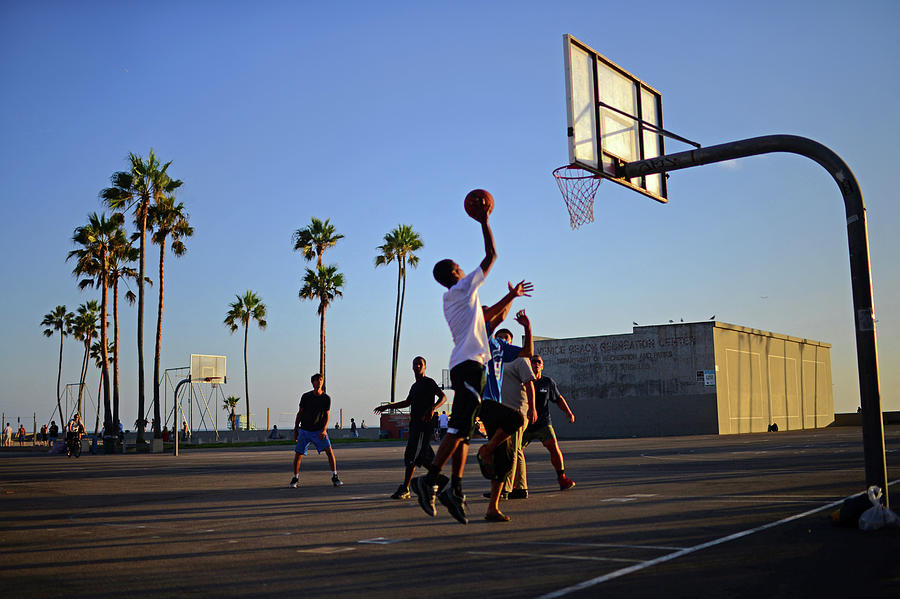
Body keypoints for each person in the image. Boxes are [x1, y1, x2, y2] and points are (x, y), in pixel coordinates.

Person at [478, 318, 536, 522]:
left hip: (500, 404)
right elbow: (493, 319)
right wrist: (511, 295)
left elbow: (528, 351)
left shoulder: (502, 348)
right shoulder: (479, 339)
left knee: (506, 455)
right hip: (484, 401)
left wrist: (528, 328)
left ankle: (493, 507)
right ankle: (487, 449)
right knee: (515, 420)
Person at [373, 356, 447, 500]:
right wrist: (387, 406)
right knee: (423, 457)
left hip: (423, 426)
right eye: (415, 364)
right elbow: (407, 402)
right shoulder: (415, 386)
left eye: (420, 364)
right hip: (415, 426)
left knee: (411, 457)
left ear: (425, 366)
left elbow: (443, 397)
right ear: (412, 367)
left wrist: (433, 408)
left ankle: (405, 488)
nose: (418, 366)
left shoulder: (429, 382)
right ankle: (439, 480)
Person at [522, 354, 577, 491]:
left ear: (542, 365)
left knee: (553, 446)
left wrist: (568, 412)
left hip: (543, 423)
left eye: (538, 362)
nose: (535, 364)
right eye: (533, 362)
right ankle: (507, 485)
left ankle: (562, 478)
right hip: (524, 424)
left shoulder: (548, 382)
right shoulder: (522, 381)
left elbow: (558, 399)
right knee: (513, 451)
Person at [289, 373, 343, 488]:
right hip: (305, 430)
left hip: (319, 431)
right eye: (316, 381)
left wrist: (324, 430)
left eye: (320, 380)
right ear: (312, 383)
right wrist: (296, 428)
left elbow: (327, 416)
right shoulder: (306, 397)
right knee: (298, 454)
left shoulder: (326, 398)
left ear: (322, 382)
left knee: (329, 451)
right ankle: (295, 478)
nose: (319, 382)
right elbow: (300, 413)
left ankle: (335, 476)